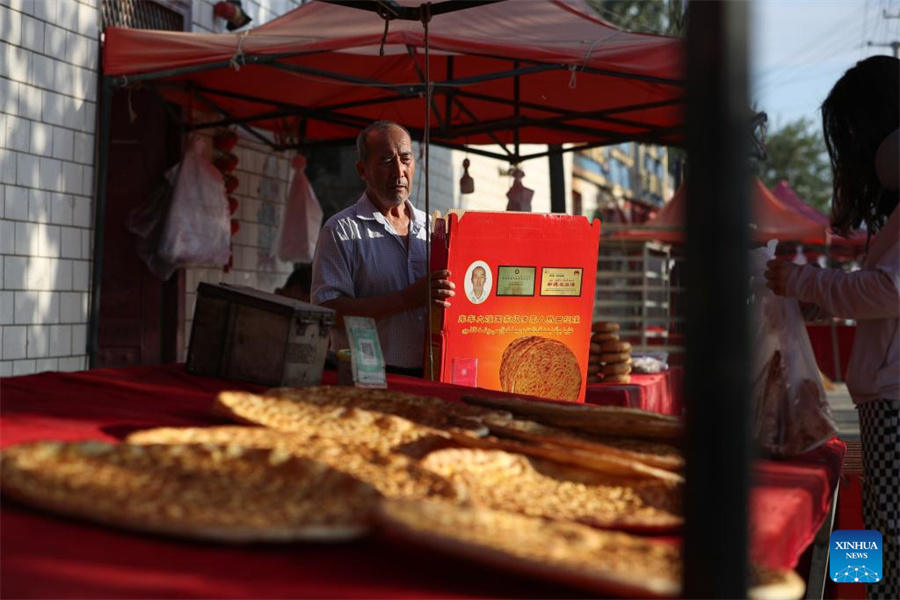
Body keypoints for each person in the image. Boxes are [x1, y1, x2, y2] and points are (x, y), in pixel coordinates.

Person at [764, 55, 899, 600]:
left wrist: (807, 281)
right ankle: (859, 591)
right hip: (883, 402)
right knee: (879, 528)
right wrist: (822, 300)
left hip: (894, 406)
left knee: (888, 538)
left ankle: (864, 592)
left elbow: (890, 290)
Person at [311, 121, 454, 375]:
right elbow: (328, 312)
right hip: (365, 375)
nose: (399, 171)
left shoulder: (433, 229)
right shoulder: (341, 230)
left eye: (405, 159)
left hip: (427, 376)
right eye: (386, 161)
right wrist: (404, 299)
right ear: (362, 170)